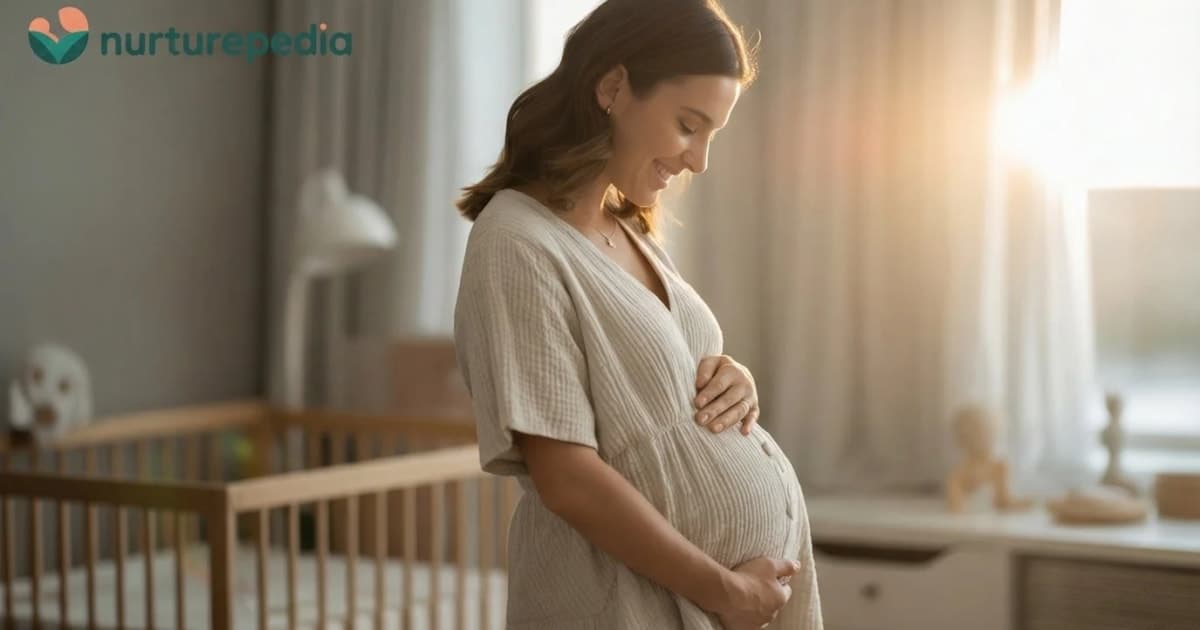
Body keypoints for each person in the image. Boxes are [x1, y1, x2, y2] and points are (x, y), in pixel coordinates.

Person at [452, 0, 821, 628]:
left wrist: (735, 380)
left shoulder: (628, 229)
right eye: (687, 124)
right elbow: (566, 478)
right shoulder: (517, 241)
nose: (699, 160)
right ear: (614, 87)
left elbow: (653, 381)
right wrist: (725, 591)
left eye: (713, 134)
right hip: (622, 604)